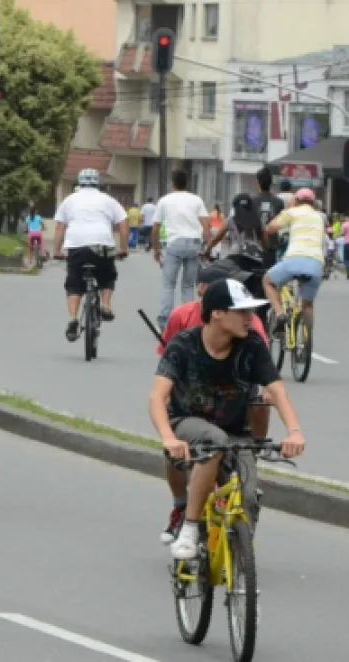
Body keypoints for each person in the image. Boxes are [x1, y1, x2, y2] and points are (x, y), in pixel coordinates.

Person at [150, 277, 305, 560]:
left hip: (236, 430)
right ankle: (190, 527)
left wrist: (294, 431)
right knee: (214, 441)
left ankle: (241, 573)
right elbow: (157, 398)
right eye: (243, 312)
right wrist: (169, 438)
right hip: (187, 423)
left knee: (248, 497)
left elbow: (277, 390)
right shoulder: (183, 345)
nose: (251, 318)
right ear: (218, 313)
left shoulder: (252, 346)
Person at [154, 265, 270, 543]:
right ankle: (181, 506)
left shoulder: (248, 325)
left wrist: (266, 393)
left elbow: (263, 365)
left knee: (257, 407)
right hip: (193, 401)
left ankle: (241, 549)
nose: (247, 314)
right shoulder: (183, 316)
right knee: (176, 451)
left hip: (233, 401)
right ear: (206, 292)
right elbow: (168, 361)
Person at [52, 168, 129, 342]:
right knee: (107, 276)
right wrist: (123, 248)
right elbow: (123, 223)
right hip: (101, 246)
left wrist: (57, 251)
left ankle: (73, 319)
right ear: (98, 183)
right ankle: (106, 305)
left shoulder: (69, 200)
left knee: (74, 283)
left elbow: (59, 227)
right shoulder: (108, 200)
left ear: (79, 182)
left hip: (76, 247)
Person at [151, 170, 209, 329]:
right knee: (188, 285)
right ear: (187, 184)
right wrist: (208, 248)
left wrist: (156, 250)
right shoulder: (196, 200)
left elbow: (155, 228)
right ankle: (189, 321)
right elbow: (206, 225)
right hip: (194, 244)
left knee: (169, 284)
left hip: (174, 244)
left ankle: (165, 321)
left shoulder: (165, 201)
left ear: (173, 184)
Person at [263, 187, 326, 334]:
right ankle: (306, 341)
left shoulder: (293, 212)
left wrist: (288, 209)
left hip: (294, 259)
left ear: (296, 200)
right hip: (315, 263)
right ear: (313, 203)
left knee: (268, 281)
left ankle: (279, 314)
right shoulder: (320, 217)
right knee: (308, 305)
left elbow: (270, 228)